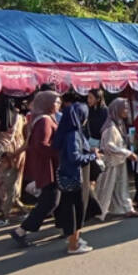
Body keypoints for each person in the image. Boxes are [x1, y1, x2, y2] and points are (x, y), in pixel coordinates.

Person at [10, 91, 62, 248]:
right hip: (48, 167)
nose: (58, 105)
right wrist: (61, 151)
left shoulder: (42, 118)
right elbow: (41, 145)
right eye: (56, 102)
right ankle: (21, 230)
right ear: (47, 103)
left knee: (54, 199)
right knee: (49, 201)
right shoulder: (45, 121)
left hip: (48, 165)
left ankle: (65, 227)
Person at [53, 103, 99, 255]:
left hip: (69, 176)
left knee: (75, 209)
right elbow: (75, 157)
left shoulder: (67, 130)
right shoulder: (73, 134)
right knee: (75, 211)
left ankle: (75, 240)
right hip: (75, 177)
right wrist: (92, 156)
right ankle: (73, 245)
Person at [96, 98, 138, 221]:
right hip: (111, 163)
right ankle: (97, 211)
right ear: (117, 109)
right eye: (125, 108)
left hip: (118, 161)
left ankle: (127, 209)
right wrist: (127, 153)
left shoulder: (119, 123)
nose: (127, 111)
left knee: (121, 187)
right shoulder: (110, 127)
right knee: (107, 188)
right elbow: (109, 146)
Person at [0, 96, 27, 227]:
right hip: (19, 151)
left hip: (3, 151)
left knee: (2, 179)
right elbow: (25, 132)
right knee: (16, 178)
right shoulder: (20, 118)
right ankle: (16, 203)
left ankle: (5, 208)